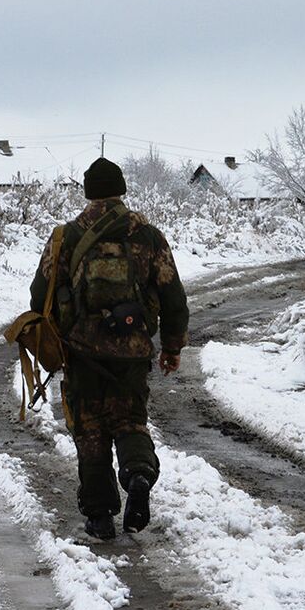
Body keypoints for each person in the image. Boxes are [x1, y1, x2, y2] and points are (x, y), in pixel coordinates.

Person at [29, 158, 187, 540]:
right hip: (132, 354)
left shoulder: (65, 237)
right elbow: (173, 298)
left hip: (82, 353)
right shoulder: (147, 235)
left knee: (90, 429)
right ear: (121, 190)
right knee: (130, 421)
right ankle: (138, 477)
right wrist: (171, 347)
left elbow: (38, 297)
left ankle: (99, 515)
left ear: (88, 192)